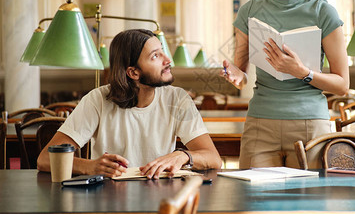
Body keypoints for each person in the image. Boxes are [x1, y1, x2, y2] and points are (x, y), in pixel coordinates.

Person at [223, 0, 349, 169]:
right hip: (260, 122)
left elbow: (342, 85)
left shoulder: (322, 12)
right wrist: (236, 75)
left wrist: (303, 72)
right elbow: (241, 74)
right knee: (256, 203)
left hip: (310, 123)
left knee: (307, 205)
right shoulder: (250, 10)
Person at [38, 29, 222, 178]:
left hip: (159, 197)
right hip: (108, 199)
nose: (168, 60)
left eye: (163, 51)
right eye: (155, 56)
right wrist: (90, 166)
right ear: (133, 73)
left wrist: (183, 155)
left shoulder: (178, 99)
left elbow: (213, 158)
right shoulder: (97, 100)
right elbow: (45, 159)